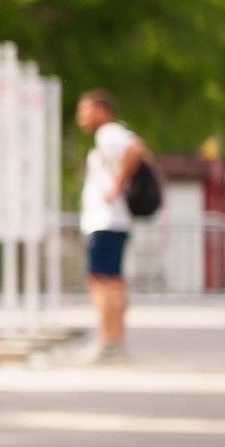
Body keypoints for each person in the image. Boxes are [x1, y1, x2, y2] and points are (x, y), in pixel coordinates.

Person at [76, 88, 147, 362]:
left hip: (105, 220)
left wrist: (115, 186)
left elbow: (136, 149)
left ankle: (107, 340)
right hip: (114, 221)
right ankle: (115, 340)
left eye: (85, 110)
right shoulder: (114, 133)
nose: (80, 117)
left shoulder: (107, 133)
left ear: (101, 110)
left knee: (100, 279)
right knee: (113, 280)